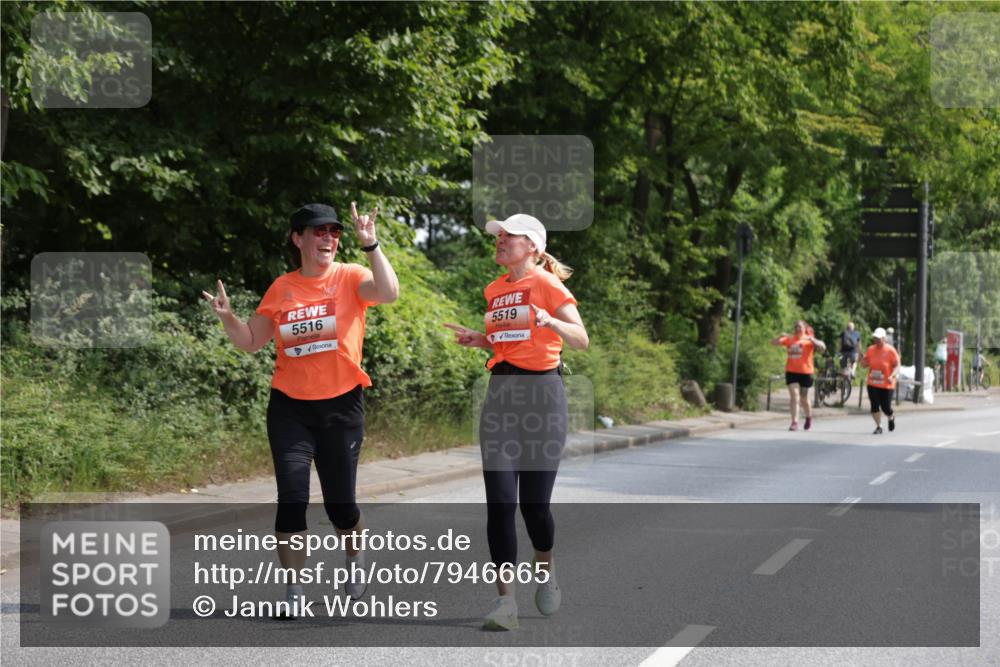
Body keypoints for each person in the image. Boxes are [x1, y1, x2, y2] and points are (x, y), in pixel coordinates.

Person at [202, 202, 399, 617]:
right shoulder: (282, 288)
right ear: (298, 238)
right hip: (290, 408)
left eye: (334, 232)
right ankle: (294, 593)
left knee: (340, 507)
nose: (328, 238)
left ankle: (354, 556)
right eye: (318, 231)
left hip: (341, 408)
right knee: (291, 498)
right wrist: (227, 318)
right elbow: (253, 340)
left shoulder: (350, 276)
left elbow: (389, 293)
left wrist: (371, 244)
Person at [443, 213, 588, 631]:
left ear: (534, 248)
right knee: (501, 504)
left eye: (510, 236)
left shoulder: (546, 283)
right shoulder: (494, 290)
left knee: (534, 507)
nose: (501, 240)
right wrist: (481, 338)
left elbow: (580, 338)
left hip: (543, 397)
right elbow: (510, 339)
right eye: (500, 236)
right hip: (501, 396)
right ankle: (505, 602)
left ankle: (546, 567)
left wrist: (550, 320)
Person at [771, 320, 826, 431]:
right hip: (791, 371)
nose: (797, 329)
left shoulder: (808, 340)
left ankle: (808, 417)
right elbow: (773, 343)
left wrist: (813, 340)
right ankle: (794, 422)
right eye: (796, 327)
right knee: (794, 396)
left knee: (804, 399)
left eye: (800, 327)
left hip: (806, 372)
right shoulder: (789, 339)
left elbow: (823, 347)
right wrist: (779, 336)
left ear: (804, 328)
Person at [860, 327, 900, 434]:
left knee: (886, 407)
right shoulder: (871, 349)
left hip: (887, 384)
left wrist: (892, 375)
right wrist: (861, 358)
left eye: (878, 338)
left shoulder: (890, 350)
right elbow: (864, 365)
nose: (876, 340)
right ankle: (879, 427)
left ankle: (891, 416)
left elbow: (897, 366)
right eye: (875, 338)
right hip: (873, 383)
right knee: (874, 406)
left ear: (884, 338)